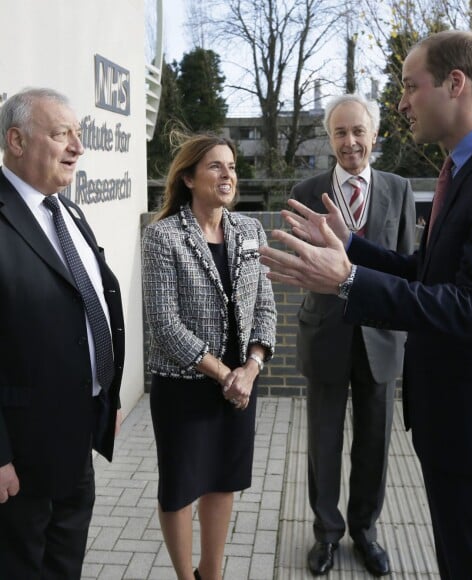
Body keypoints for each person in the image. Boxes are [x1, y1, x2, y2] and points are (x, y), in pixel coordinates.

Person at [259, 30, 472, 579]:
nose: (400, 102)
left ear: (455, 83)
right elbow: (427, 273)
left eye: (409, 86)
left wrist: (349, 279)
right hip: (449, 420)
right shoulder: (465, 170)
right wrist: (351, 247)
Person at [0, 88, 125, 578]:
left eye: (79, 133)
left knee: (64, 564)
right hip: (20, 461)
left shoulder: (68, 211)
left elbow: (92, 308)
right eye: (61, 134)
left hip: (75, 443)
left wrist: (107, 398)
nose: (78, 146)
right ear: (16, 140)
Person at [141, 133, 277, 580]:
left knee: (223, 481)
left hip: (240, 386)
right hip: (185, 387)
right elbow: (164, 324)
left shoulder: (250, 230)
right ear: (189, 177)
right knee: (180, 490)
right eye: (216, 166)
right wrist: (225, 375)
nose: (228, 175)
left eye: (232, 167)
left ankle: (211, 574)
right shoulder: (162, 237)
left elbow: (265, 307)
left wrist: (251, 368)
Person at [291, 94, 415, 577]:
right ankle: (326, 534)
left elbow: (406, 268)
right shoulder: (307, 189)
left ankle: (365, 531)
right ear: (330, 138)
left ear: (374, 136)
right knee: (322, 442)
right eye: (340, 133)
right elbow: (302, 264)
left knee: (374, 443)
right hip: (326, 333)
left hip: (381, 338)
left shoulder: (399, 189)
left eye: (358, 131)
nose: (350, 142)